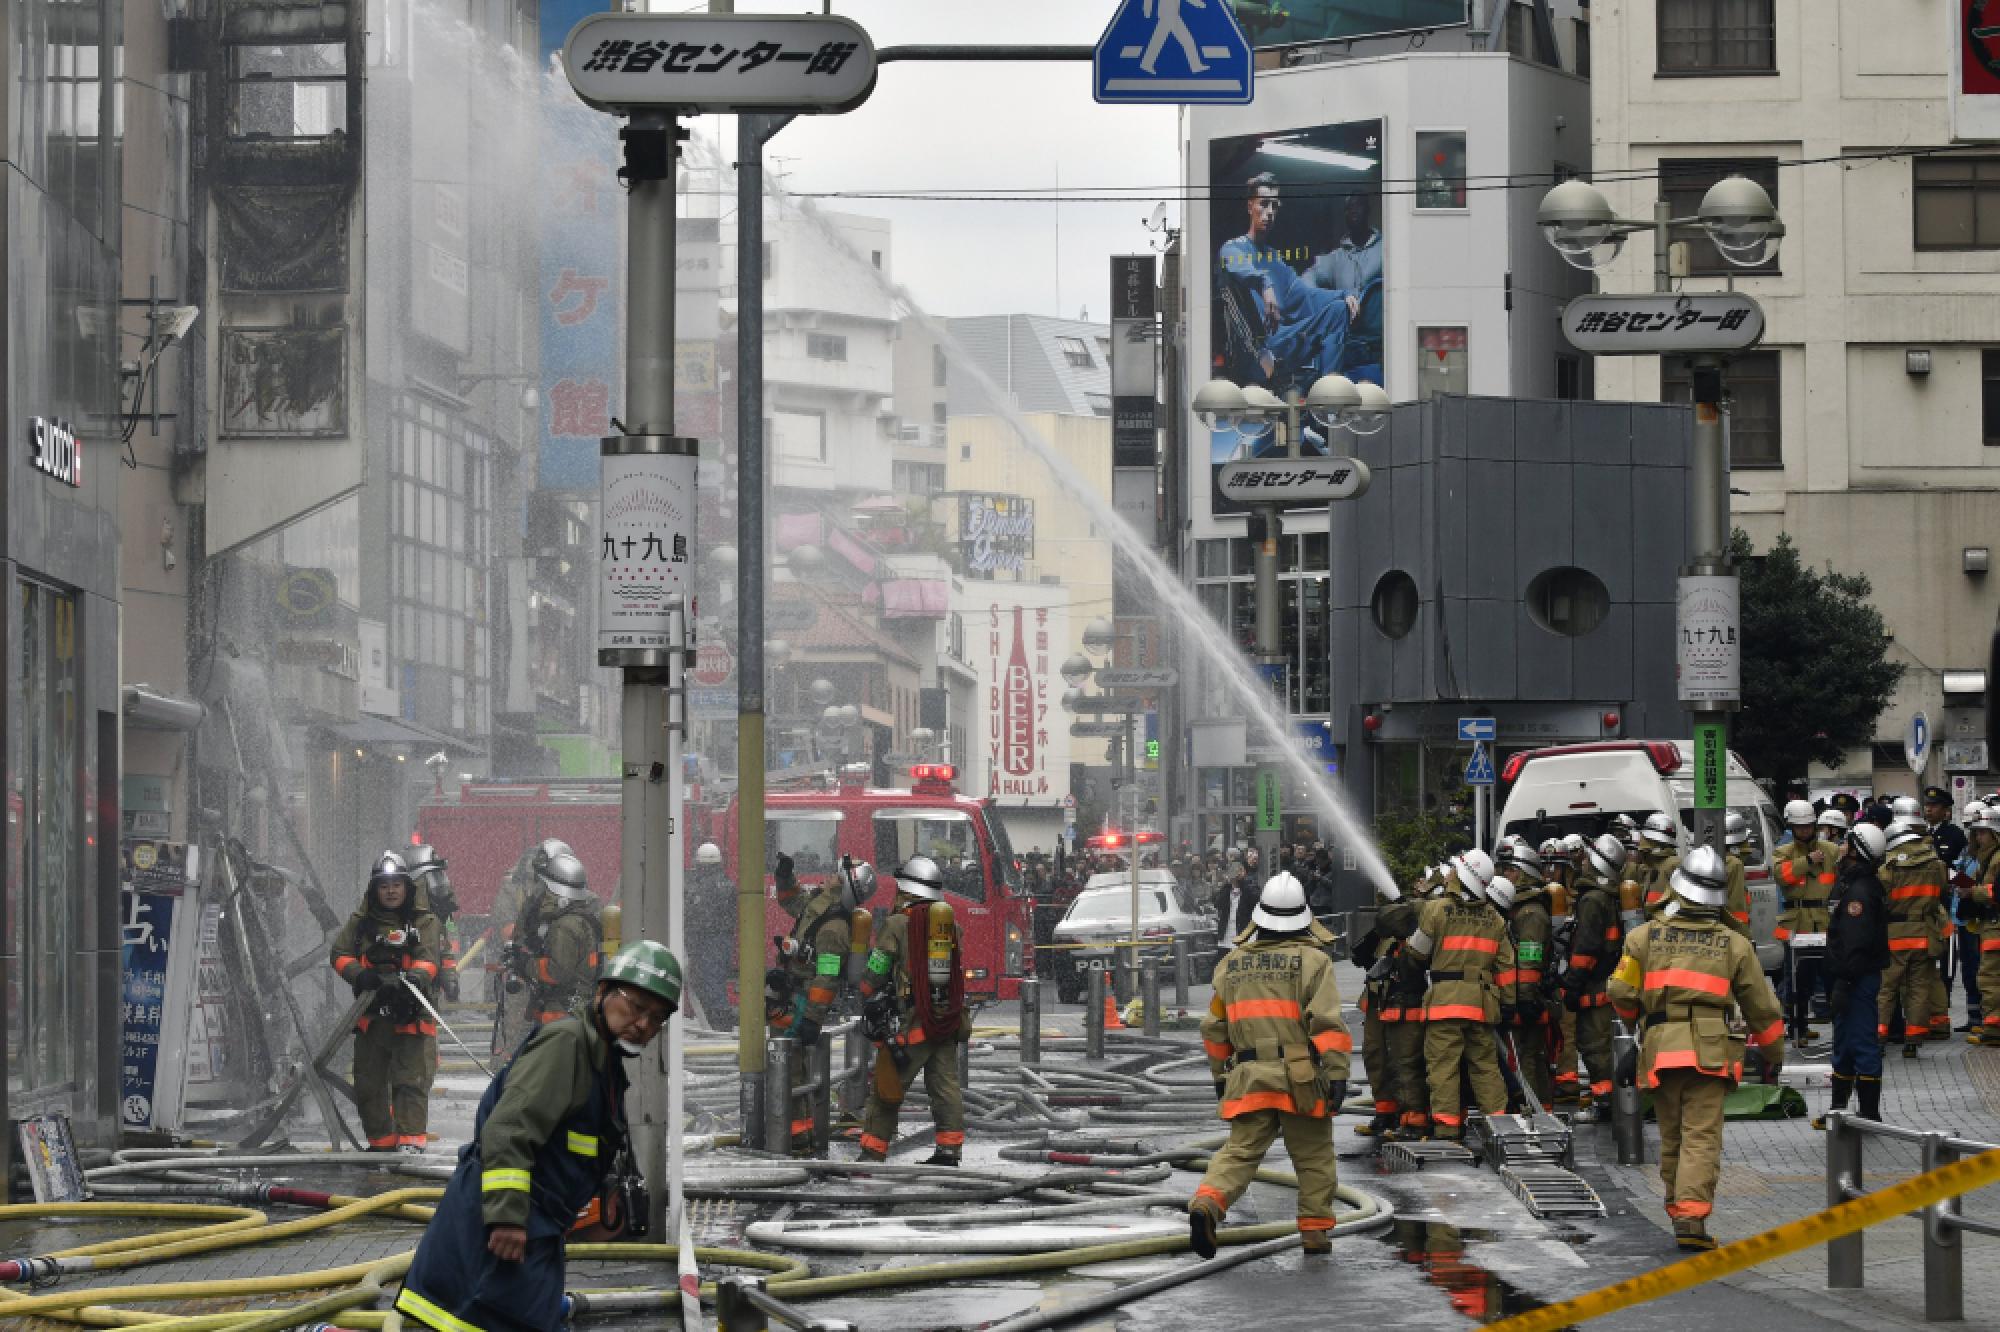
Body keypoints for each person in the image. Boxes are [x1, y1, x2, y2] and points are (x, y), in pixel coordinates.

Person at [394, 941, 680, 1332]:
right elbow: (508, 1130)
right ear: (602, 992)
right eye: (637, 1007)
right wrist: (508, 1218)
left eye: (657, 1018)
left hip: (533, 1231)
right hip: (503, 1230)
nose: (644, 1024)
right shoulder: (568, 1045)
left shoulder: (602, 1061)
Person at [1609, 846, 1786, 1251]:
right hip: (1709, 1052)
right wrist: (1775, 1055)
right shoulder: (1733, 945)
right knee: (1701, 1137)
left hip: (1660, 1049)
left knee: (1671, 1135)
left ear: (1678, 889)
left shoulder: (1643, 937)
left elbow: (1620, 991)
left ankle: (1677, 1208)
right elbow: (1763, 1008)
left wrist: (1637, 1022)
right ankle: (1691, 1217)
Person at [1189, 872, 1350, 1258]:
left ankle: (1207, 1203)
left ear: (1259, 917)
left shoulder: (1232, 964)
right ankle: (1314, 1236)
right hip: (1300, 1077)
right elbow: (1326, 1023)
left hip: (1247, 1075)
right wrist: (1339, 1072)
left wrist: (1219, 1076)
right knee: (1313, 1158)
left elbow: (1213, 1027)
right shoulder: (1314, 961)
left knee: (1239, 1152)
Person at [857, 857, 969, 1166]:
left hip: (911, 1024)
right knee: (945, 1088)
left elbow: (876, 971)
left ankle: (871, 1154)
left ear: (906, 887)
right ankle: (949, 1151)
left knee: (886, 1088)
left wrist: (864, 989)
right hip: (945, 1021)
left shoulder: (896, 924)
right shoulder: (951, 925)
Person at [330, 852, 444, 1151]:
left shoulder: (424, 921)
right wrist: (359, 975)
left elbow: (429, 958)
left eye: (396, 884)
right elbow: (339, 954)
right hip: (372, 1020)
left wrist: (414, 983)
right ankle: (380, 1150)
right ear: (374, 890)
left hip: (411, 1015)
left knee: (411, 1084)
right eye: (384, 885)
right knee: (369, 1088)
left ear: (407, 887)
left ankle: (410, 1148)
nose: (391, 891)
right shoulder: (361, 922)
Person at [1403, 851, 1511, 1142]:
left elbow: (1416, 953)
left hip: (1444, 1006)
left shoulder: (1436, 910)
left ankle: (1447, 1128)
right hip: (1480, 1006)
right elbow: (1506, 970)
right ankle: (1498, 1128)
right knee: (1486, 1067)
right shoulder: (1495, 919)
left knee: (1443, 1068)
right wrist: (1508, 1004)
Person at [1216, 174, 1360, 393]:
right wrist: (1265, 285)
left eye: (1274, 206)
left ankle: (1327, 398)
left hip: (1284, 341)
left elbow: (1306, 295)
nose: (1270, 212)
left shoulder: (1275, 260)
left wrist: (1344, 295)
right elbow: (1242, 269)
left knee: (1339, 311)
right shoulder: (1233, 248)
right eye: (1263, 204)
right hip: (1257, 351)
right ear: (1249, 207)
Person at [769, 853, 863, 1154]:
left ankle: (798, 1139)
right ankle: (799, 1134)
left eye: (835, 877)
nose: (827, 877)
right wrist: (785, 873)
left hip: (802, 1002)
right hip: (792, 994)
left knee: (790, 1069)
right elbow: (789, 900)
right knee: (788, 1065)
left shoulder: (834, 929)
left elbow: (826, 978)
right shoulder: (817, 906)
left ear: (844, 889)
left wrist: (811, 1019)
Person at [1816, 824, 1891, 1126]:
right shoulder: (1855, 884)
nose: (1841, 848)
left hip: (1857, 978)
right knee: (1844, 1043)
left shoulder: (1860, 892)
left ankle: (1869, 1113)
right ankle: (1839, 1109)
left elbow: (1856, 942)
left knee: (1861, 1041)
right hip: (1851, 977)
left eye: (1847, 843)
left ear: (1858, 850)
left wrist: (1845, 982)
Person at [1562, 834, 1627, 1120]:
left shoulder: (1592, 900)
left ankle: (1606, 1102)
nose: (1583, 862)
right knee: (1605, 1045)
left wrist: (1573, 985)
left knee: (1594, 1045)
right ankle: (1609, 1098)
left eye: (1588, 858)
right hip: (1608, 982)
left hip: (1594, 985)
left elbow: (1585, 949)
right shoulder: (1610, 896)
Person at [1352, 871, 1420, 1137]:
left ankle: (1410, 1118)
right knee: (1374, 1055)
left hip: (1400, 1001)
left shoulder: (1416, 922)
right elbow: (1365, 958)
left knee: (1405, 1061)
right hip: (1375, 1000)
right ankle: (1385, 1113)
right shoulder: (1387, 927)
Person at [1493, 838, 1555, 1110]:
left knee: (1527, 1058)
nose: (1503, 875)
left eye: (1509, 869)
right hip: (1522, 996)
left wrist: (1524, 1002)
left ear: (1525, 871)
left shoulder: (1530, 913)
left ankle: (1535, 1114)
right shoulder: (1520, 908)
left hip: (1528, 1000)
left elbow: (1529, 960)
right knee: (1529, 1056)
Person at [1877, 816, 1946, 1058]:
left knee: (1886, 989)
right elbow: (1942, 893)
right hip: (1924, 934)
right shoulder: (1936, 863)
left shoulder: (1889, 865)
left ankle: (1879, 1039)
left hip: (1894, 935)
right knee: (1919, 988)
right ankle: (1913, 1041)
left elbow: (1881, 899)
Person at [1774, 799, 1839, 1045]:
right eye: (1799, 826)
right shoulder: (1784, 852)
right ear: (1791, 826)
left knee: (1833, 978)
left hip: (1825, 920)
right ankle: (1798, 1028)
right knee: (1797, 981)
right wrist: (1809, 861)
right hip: (1796, 923)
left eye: (1808, 826)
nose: (1804, 830)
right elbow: (1782, 876)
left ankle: (1839, 1030)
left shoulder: (1831, 850)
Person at [516, 851, 604, 1029]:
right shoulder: (582, 918)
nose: (541, 894)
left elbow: (559, 971)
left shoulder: (564, 926)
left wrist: (526, 964)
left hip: (560, 1014)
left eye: (546, 889)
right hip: (578, 1007)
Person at [686, 842, 736, 1029]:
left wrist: (691, 939)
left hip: (709, 939)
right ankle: (720, 1018)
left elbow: (697, 916)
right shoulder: (728, 883)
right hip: (724, 937)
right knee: (717, 977)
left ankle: (719, 1021)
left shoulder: (702, 888)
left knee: (711, 979)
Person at [1962, 807, 2000, 1045]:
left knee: (1990, 978)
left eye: (1983, 832)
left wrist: (1972, 891)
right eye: (1976, 833)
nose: (1978, 837)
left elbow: (1995, 891)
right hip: (1989, 925)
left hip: (1996, 925)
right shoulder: (1987, 858)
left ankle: (1995, 1030)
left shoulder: (1996, 858)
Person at [408, 844, 460, 1002]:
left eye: (440, 877)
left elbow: (443, 951)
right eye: (432, 879)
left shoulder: (436, 920)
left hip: (429, 991)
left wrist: (449, 979)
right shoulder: (405, 920)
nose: (439, 886)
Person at [1211, 861, 1261, 946]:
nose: (1237, 873)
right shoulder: (1227, 888)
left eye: (1240, 869)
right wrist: (1227, 885)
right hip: (1226, 933)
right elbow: (1218, 904)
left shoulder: (1252, 886)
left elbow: (1254, 901)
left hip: (1244, 933)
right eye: (1234, 870)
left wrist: (1241, 882)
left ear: (1246, 872)